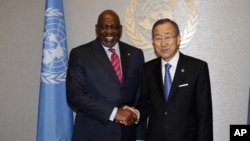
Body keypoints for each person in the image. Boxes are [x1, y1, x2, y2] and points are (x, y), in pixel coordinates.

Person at [127, 18, 213, 141]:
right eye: (158, 38)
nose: (163, 43)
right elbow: (146, 102)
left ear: (178, 39)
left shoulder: (197, 68)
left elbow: (204, 114)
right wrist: (136, 113)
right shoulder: (148, 69)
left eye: (168, 37)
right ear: (153, 42)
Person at [66, 9, 146, 141]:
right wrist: (114, 113)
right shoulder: (80, 54)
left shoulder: (136, 54)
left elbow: (140, 96)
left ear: (120, 29)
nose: (109, 31)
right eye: (104, 27)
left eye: (114, 27)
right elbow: (75, 95)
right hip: (93, 134)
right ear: (97, 29)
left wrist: (140, 137)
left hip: (127, 135)